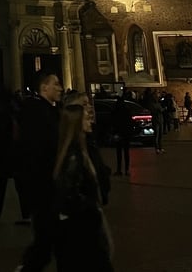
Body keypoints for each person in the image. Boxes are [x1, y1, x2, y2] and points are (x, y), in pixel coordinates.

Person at [53, 103, 114, 272]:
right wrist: (92, 209)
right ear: (77, 124)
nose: (90, 121)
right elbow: (70, 196)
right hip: (80, 233)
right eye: (86, 118)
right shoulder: (74, 157)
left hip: (84, 229)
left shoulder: (83, 150)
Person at [14, 70, 63, 272]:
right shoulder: (38, 114)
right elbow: (37, 152)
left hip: (47, 186)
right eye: (55, 84)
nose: (60, 88)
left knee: (49, 240)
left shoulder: (50, 112)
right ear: (44, 88)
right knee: (46, 241)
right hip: (43, 186)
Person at [0, 91, 30, 224]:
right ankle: (26, 214)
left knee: (2, 185)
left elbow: (2, 139)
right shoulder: (18, 114)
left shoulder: (4, 116)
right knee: (20, 186)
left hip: (6, 155)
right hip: (17, 154)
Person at [110, 96, 132, 178]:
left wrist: (114, 132)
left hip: (118, 133)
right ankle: (127, 169)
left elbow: (112, 122)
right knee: (126, 152)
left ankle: (119, 169)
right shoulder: (127, 110)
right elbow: (129, 122)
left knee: (119, 152)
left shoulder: (115, 111)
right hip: (126, 133)